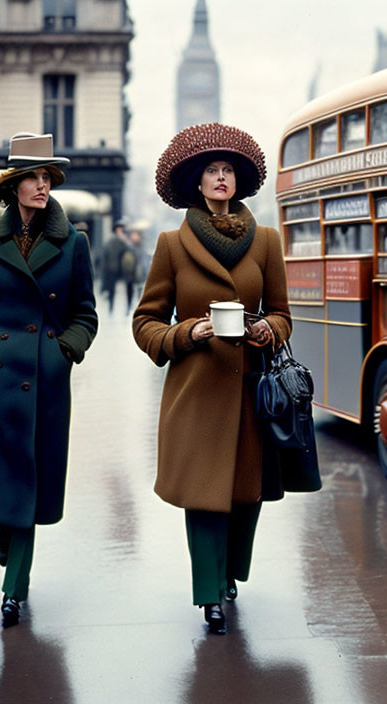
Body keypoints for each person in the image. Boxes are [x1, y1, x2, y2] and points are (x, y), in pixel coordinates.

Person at [132, 123, 291, 635]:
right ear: (196, 184)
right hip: (196, 391)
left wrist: (269, 328)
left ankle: (228, 576)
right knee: (204, 497)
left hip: (251, 390)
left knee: (246, 495)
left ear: (238, 181)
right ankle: (209, 595)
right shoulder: (170, 245)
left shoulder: (266, 241)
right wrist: (186, 332)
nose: (221, 178)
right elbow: (145, 321)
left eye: (228, 171)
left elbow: (284, 314)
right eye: (211, 171)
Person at [0, 132, 98, 627]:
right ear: (12, 186)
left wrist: (63, 353)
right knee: (1, 483)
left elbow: (85, 314)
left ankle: (13, 590)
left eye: (47, 178)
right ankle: (6, 536)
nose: (42, 186)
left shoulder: (73, 243)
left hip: (44, 382)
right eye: (32, 177)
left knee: (28, 484)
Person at [101, 218, 129, 314]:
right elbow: (107, 256)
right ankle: (111, 308)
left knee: (124, 290)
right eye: (119, 229)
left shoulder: (125, 241)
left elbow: (129, 252)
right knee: (111, 290)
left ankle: (125, 309)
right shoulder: (111, 241)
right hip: (112, 269)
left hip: (123, 270)